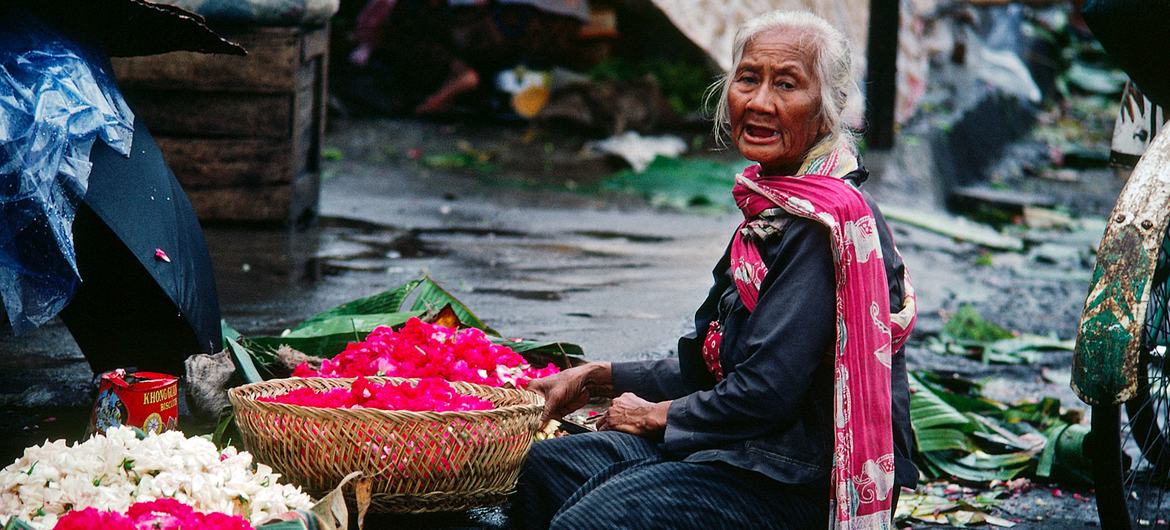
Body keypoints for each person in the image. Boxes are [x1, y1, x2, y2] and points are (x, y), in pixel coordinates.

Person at [512, 10, 918, 529]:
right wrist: (598, 378)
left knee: (590, 521)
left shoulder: (824, 224)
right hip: (742, 448)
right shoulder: (773, 204)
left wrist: (658, 415)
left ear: (827, 108)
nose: (760, 102)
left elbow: (766, 391)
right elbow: (710, 366)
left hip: (795, 479)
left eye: (787, 84)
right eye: (749, 78)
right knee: (551, 467)